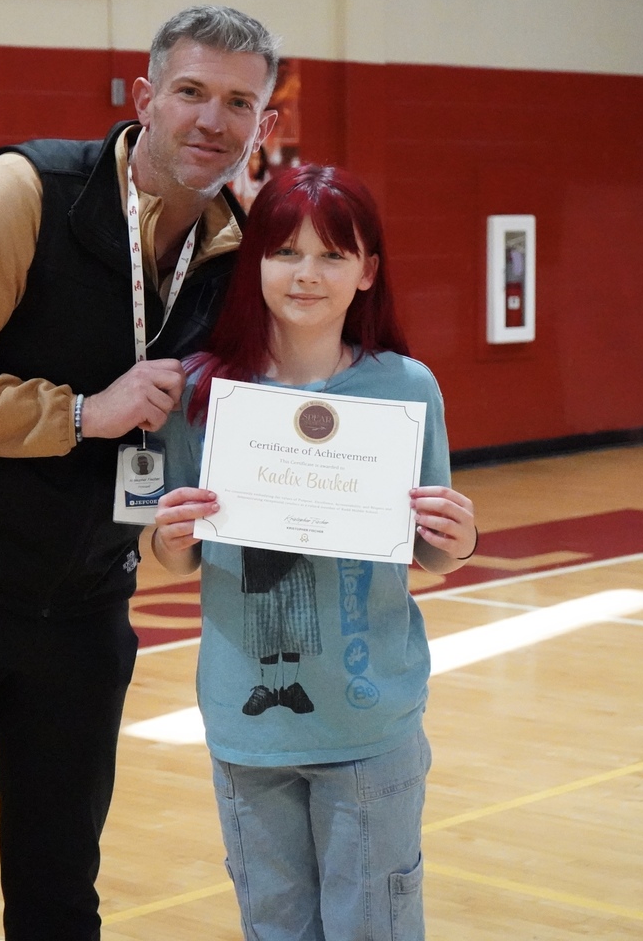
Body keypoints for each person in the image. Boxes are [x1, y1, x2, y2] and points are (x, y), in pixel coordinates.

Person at [0, 4, 280, 941]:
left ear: (263, 124)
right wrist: (79, 415)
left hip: (81, 610)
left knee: (60, 902)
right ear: (145, 98)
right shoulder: (27, 193)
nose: (212, 120)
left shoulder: (239, 252)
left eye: (239, 103)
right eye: (191, 92)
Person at [152, 164, 477, 941]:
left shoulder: (406, 388)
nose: (306, 274)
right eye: (284, 251)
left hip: (368, 720)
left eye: (332, 255)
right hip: (245, 722)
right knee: (274, 927)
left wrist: (458, 541)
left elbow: (431, 552)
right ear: (254, 263)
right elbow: (174, 557)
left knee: (372, 926)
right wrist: (167, 536)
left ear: (366, 272)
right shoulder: (198, 393)